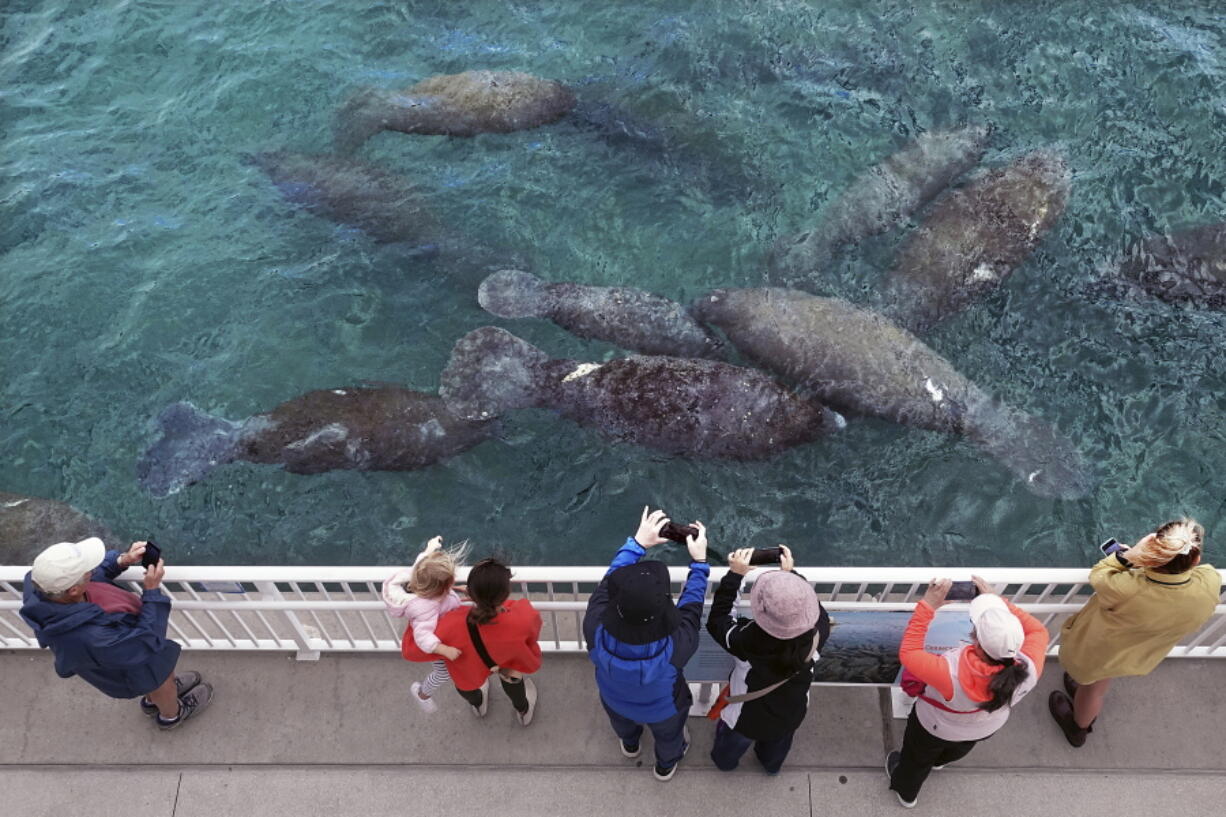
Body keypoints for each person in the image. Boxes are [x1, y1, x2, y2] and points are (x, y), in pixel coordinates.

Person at [1048, 518, 1221, 747]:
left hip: (1102, 652)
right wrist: (1151, 561)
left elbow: (1100, 573)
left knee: (1093, 690)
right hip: (1140, 653)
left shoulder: (1126, 589)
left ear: (1151, 550)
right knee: (1099, 679)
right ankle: (1082, 688)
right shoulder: (1209, 583)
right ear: (1196, 559)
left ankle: (1078, 727)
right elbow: (1176, 584)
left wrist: (1130, 556)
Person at [886, 577, 1048, 808]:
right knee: (958, 747)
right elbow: (1038, 630)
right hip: (984, 728)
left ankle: (907, 792)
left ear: (977, 641)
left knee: (915, 758)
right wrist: (997, 602)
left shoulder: (950, 674)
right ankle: (940, 762)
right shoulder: (1029, 668)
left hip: (934, 726)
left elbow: (909, 653)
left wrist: (928, 605)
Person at [19, 537, 213, 730]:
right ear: (74, 590)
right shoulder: (93, 637)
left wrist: (122, 561)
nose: (92, 570)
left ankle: (152, 700)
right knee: (160, 680)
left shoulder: (43, 585)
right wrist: (152, 591)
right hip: (132, 663)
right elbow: (146, 642)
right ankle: (171, 715)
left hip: (121, 653)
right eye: (88, 569)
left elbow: (93, 577)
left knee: (156, 684)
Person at [583, 507, 710, 782]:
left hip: (613, 698)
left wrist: (637, 544)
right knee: (669, 736)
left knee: (622, 723)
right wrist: (699, 564)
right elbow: (692, 607)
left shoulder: (595, 628)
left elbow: (608, 583)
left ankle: (630, 744)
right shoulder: (678, 644)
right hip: (663, 709)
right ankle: (665, 765)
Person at [706, 544, 829, 775]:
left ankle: (725, 763)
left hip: (745, 718)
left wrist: (735, 575)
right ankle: (771, 767)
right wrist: (791, 578)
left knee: (730, 747)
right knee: (778, 745)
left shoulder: (747, 642)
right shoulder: (819, 632)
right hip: (790, 713)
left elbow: (719, 619)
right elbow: (809, 603)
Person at [416, 556, 542, 725]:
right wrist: (487, 600)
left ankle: (478, 704)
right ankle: (523, 710)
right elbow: (527, 619)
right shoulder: (523, 618)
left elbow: (415, 648)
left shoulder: (448, 624)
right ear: (505, 592)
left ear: (470, 590)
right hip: (503, 660)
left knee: (465, 683)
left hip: (471, 666)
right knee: (511, 675)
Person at [386, 536, 469, 713]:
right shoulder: (425, 607)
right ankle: (422, 694)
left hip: (443, 631)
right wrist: (444, 650)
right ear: (440, 589)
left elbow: (423, 559)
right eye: (451, 582)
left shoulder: (421, 575)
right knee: (443, 673)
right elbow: (423, 637)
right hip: (438, 642)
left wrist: (432, 546)